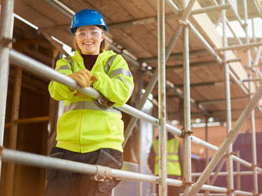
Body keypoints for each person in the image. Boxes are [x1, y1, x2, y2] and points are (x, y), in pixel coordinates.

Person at [45, 9, 134, 196]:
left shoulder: (115, 61)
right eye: (81, 33)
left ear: (102, 35)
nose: (88, 38)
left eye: (93, 31)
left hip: (103, 146)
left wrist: (97, 79)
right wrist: (71, 82)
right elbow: (55, 90)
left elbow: (123, 92)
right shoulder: (66, 63)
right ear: (75, 38)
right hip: (67, 146)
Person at [148, 132, 183, 196]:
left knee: (161, 194)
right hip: (174, 174)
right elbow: (182, 161)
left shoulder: (155, 143)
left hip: (159, 174)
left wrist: (155, 171)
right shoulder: (176, 142)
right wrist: (182, 175)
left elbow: (150, 161)